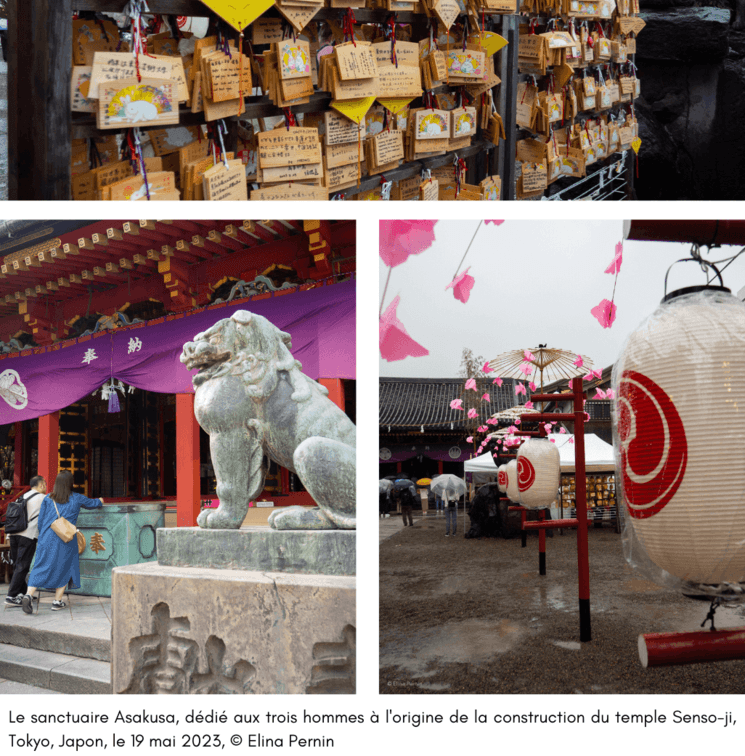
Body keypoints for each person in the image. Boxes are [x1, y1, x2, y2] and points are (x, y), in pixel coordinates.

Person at [21, 471, 104, 614]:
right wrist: (101, 500)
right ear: (70, 483)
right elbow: (93, 504)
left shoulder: (48, 498)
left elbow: (41, 521)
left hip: (47, 537)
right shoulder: (77, 498)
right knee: (64, 567)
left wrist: (42, 537)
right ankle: (57, 601)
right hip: (66, 539)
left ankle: (28, 595)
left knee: (40, 566)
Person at [4, 476, 47, 607]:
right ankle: (11, 596)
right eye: (44, 484)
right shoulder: (43, 498)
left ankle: (22, 592)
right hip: (27, 534)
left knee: (18, 564)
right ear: (40, 486)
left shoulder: (22, 497)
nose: (45, 487)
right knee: (23, 565)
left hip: (13, 534)